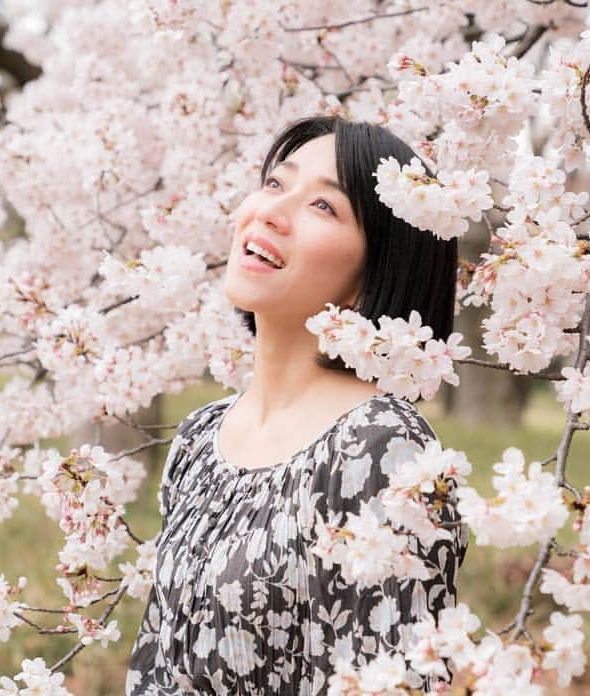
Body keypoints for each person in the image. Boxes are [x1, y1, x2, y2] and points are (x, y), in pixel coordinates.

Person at [126, 116, 468, 695]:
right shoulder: (200, 437)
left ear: (377, 270)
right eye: (277, 184)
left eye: (324, 207)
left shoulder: (380, 450)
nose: (270, 212)